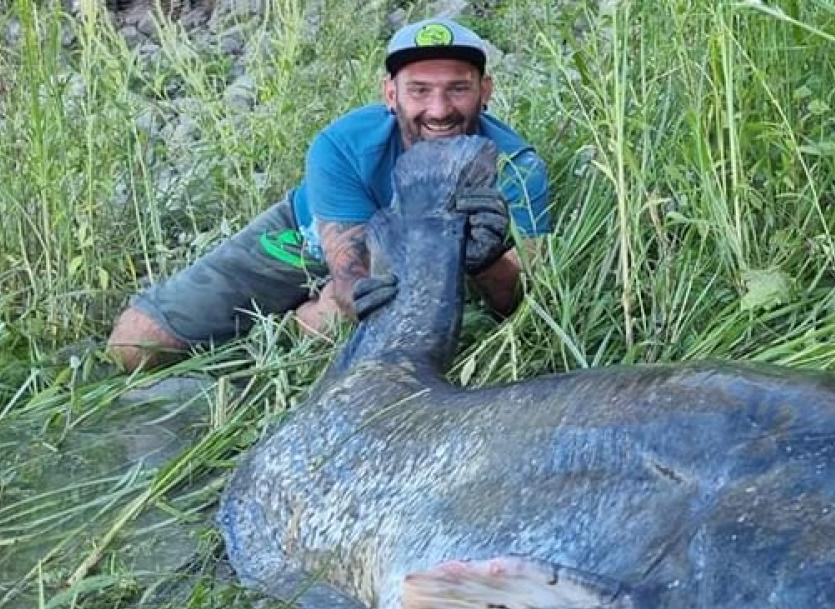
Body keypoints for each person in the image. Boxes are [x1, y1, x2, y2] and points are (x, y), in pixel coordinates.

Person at [106, 17, 550, 371]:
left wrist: (485, 260)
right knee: (134, 345)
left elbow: (523, 296)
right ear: (390, 94)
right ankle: (288, 319)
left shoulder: (516, 167)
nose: (438, 110)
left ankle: (294, 331)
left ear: (484, 91)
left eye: (457, 88)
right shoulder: (342, 144)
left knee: (323, 328)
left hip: (428, 265)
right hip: (310, 235)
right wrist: (349, 294)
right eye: (419, 90)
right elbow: (349, 273)